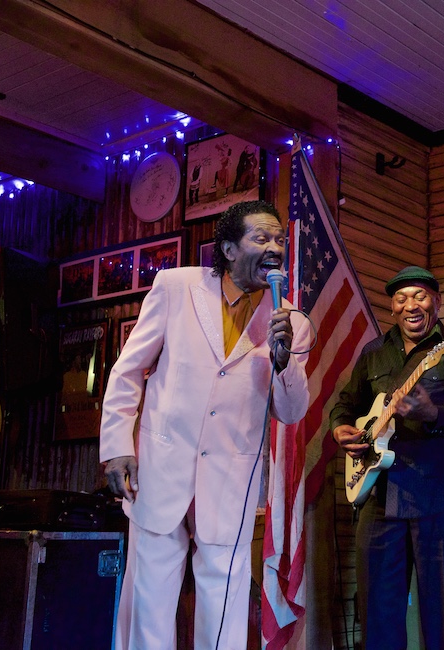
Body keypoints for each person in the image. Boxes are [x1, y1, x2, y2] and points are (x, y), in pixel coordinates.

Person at [100, 200, 311, 650]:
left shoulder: (292, 321)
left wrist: (285, 358)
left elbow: (290, 412)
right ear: (230, 249)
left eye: (279, 240)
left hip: (229, 480)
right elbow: (128, 369)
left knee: (225, 604)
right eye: (262, 238)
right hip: (161, 465)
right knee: (149, 598)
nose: (274, 247)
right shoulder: (177, 287)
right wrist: (118, 445)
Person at [330, 266, 444, 650]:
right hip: (380, 496)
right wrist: (340, 429)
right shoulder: (373, 352)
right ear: (392, 308)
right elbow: (346, 405)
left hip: (440, 496)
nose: (410, 305)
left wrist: (430, 413)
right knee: (377, 613)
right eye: (401, 299)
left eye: (419, 296)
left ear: (437, 302)